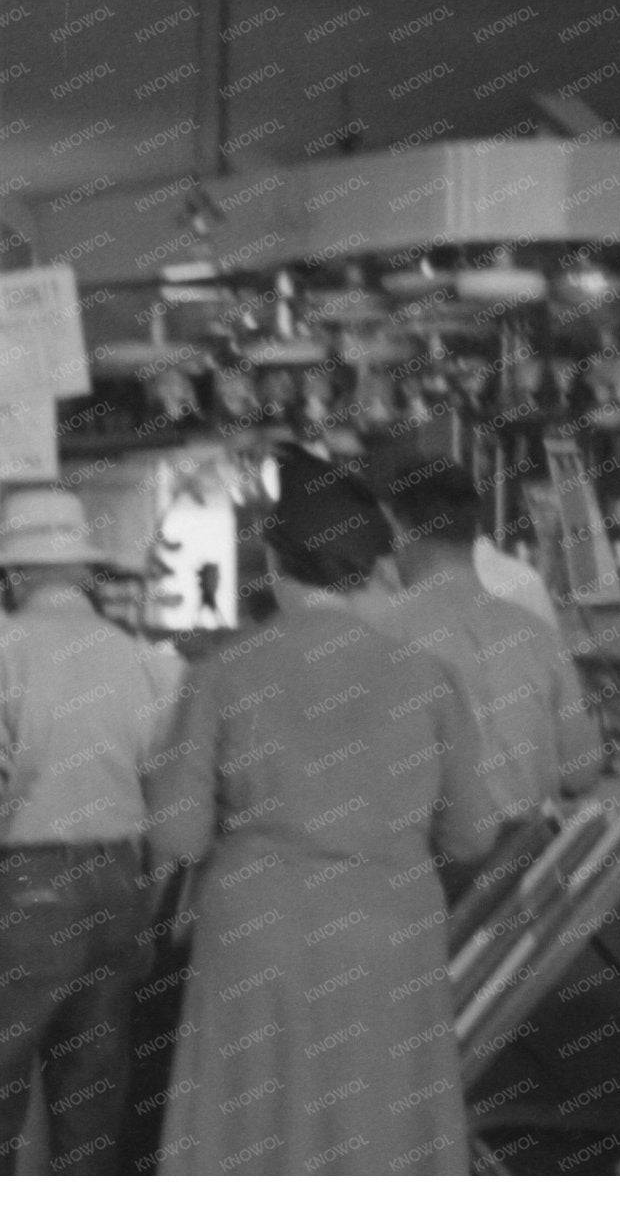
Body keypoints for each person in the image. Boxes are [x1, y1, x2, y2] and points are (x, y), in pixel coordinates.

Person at [149, 458, 501, 1175]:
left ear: (275, 563)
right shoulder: (427, 676)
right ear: (371, 566)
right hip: (386, 931)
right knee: (381, 1129)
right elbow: (473, 831)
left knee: (251, 1128)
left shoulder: (221, 671)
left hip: (257, 933)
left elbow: (176, 833)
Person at [0, 487, 184, 1175]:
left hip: (22, 892)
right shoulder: (142, 660)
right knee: (90, 1111)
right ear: (85, 574)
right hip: (116, 884)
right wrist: (148, 900)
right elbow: (165, 794)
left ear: (13, 574)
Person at [356, 447, 604, 888]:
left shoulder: (378, 634)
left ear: (397, 529)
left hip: (421, 883)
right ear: (471, 531)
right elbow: (581, 768)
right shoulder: (535, 634)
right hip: (528, 877)